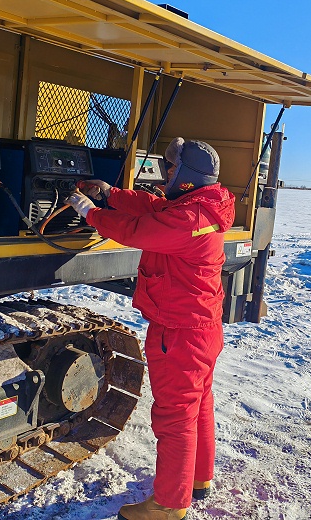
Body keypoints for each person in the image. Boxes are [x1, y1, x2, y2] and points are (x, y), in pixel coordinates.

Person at [68, 137, 235, 520]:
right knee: (197, 405)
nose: (167, 174)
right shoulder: (201, 206)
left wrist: (92, 213)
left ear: (190, 176)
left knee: (175, 416)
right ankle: (197, 479)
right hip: (201, 329)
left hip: (178, 334)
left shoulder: (188, 221)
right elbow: (153, 206)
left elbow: (137, 231)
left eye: (173, 169)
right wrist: (112, 194)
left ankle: (169, 505)